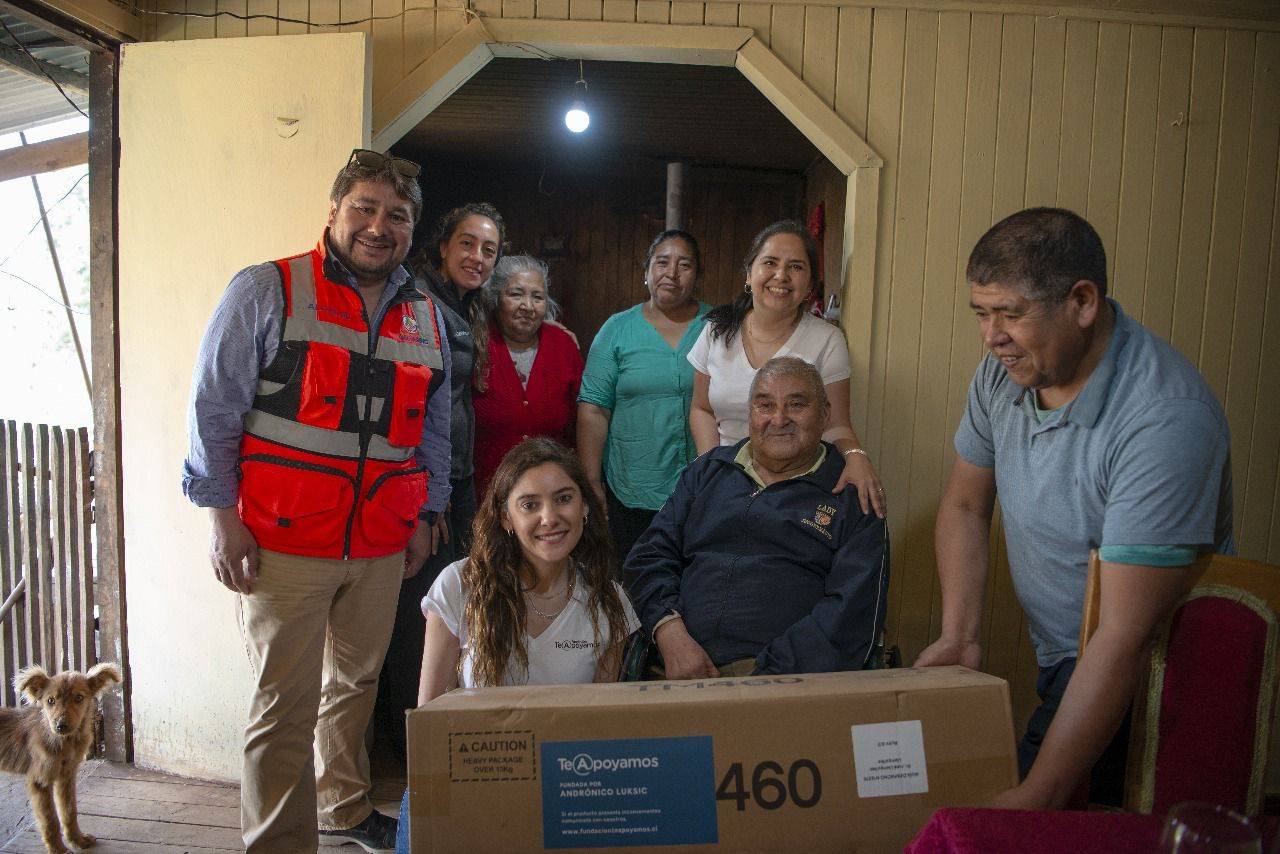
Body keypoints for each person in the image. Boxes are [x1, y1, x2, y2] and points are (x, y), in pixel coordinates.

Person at [914, 207, 1233, 810]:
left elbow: (1126, 637)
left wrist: (1037, 797)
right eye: (982, 314)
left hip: (1157, 685)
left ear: (1082, 302)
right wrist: (961, 632)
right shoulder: (1002, 373)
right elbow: (963, 505)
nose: (991, 337)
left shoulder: (1165, 418)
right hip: (1069, 656)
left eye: (1010, 314)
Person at [182, 149, 451, 852]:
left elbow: (435, 425)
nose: (378, 225)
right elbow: (213, 409)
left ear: (411, 230)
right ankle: (276, 845)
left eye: (396, 215)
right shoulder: (266, 289)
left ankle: (345, 809)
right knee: (282, 709)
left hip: (380, 543)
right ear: (333, 211)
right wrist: (220, 518)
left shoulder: (424, 314)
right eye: (364, 207)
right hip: (280, 540)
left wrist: (428, 512)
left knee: (355, 687)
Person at [394, 438, 639, 852]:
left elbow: (604, 731)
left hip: (566, 789)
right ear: (506, 517)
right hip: (468, 779)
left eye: (563, 499)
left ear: (584, 507)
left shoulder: (609, 601)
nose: (550, 517)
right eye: (529, 504)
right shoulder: (459, 584)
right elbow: (427, 720)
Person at [629, 356, 889, 679]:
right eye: (765, 405)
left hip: (783, 683)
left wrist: (767, 677)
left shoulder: (852, 493)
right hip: (673, 665)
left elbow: (852, 614)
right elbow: (648, 556)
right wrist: (669, 632)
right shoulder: (708, 472)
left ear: (824, 415)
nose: (779, 419)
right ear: (750, 414)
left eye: (796, 405)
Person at [376, 201, 505, 761]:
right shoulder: (421, 304)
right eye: (468, 244)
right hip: (426, 492)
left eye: (489, 250)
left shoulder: (459, 306)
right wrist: (431, 507)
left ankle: (417, 740)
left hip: (448, 489)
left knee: (432, 611)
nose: (477, 257)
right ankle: (410, 751)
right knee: (419, 620)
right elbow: (426, 415)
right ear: (443, 246)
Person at [688, 220, 886, 519]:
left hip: (796, 485)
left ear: (809, 285)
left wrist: (857, 458)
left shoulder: (827, 340)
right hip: (725, 479)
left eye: (796, 266)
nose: (781, 275)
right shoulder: (716, 331)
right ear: (749, 272)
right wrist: (711, 467)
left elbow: (836, 424)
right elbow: (701, 408)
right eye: (770, 262)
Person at [577, 229, 712, 572]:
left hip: (700, 488)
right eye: (662, 262)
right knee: (634, 582)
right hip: (631, 487)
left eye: (685, 265)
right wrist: (591, 481)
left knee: (689, 579)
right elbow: (593, 408)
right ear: (646, 271)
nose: (672, 272)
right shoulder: (617, 329)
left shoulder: (716, 326)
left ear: (697, 275)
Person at [472, 255, 584, 496]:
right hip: (488, 491)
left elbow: (582, 415)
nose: (528, 306)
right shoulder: (477, 342)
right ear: (496, 298)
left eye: (537, 297)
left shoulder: (563, 345)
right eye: (516, 294)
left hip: (552, 489)